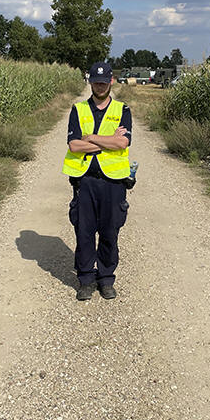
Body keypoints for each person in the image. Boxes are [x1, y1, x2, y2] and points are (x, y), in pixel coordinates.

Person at [62, 61, 132, 301]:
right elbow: (74, 145)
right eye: (95, 82)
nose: (99, 86)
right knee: (84, 232)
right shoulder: (78, 109)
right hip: (85, 181)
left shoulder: (123, 110)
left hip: (114, 182)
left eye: (103, 82)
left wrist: (90, 138)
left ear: (111, 81)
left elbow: (122, 143)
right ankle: (85, 280)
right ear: (90, 82)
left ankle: (106, 279)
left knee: (110, 232)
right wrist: (107, 141)